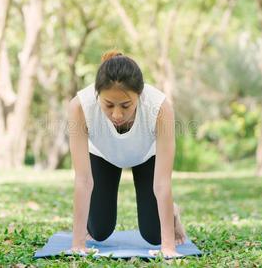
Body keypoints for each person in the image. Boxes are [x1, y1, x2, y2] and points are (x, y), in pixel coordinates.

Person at [67, 50, 187, 258]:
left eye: (125, 105)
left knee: (154, 235)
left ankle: (173, 211)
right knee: (99, 231)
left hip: (146, 156)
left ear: (139, 95)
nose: (117, 114)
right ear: (97, 95)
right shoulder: (80, 106)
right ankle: (91, 226)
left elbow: (162, 183)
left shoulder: (159, 107)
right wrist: (78, 244)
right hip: (103, 155)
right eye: (108, 105)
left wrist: (168, 246)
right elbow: (83, 179)